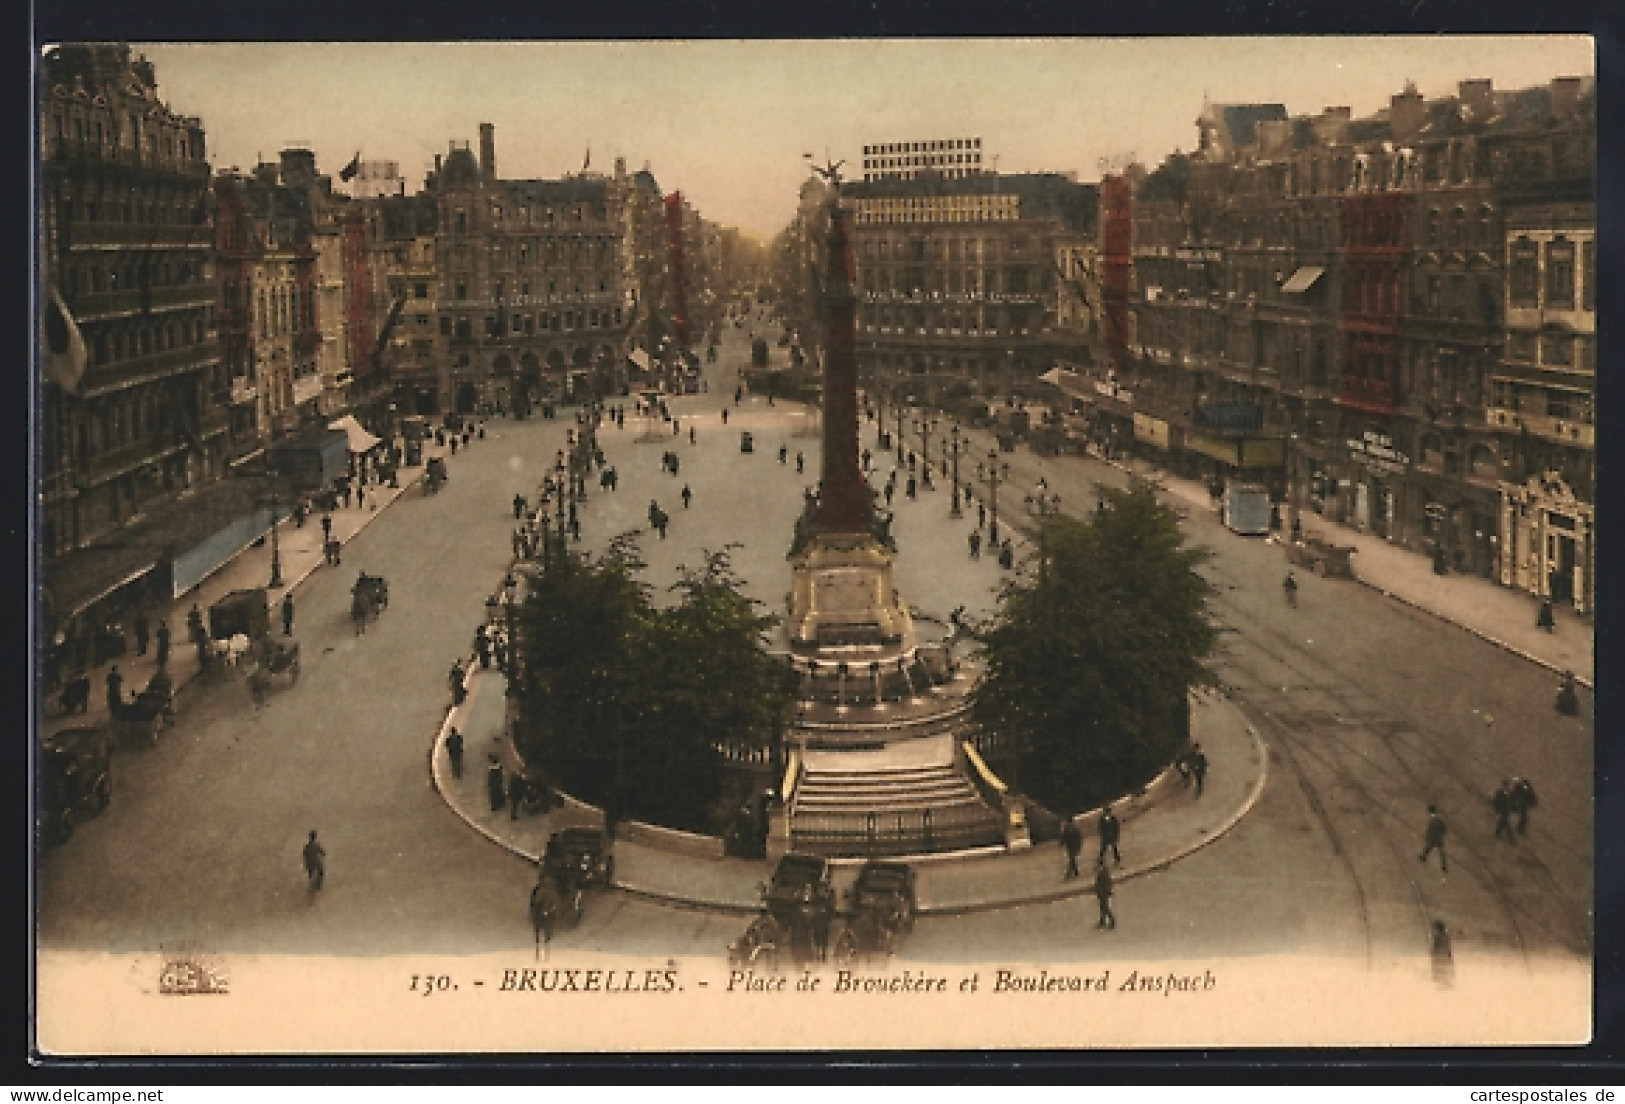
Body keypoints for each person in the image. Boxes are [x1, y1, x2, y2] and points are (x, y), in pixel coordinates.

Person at [1418, 805, 1448, 873]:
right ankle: (1444, 866)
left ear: (1430, 812)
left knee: (1428, 847)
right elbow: (1444, 829)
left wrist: (1427, 837)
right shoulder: (1440, 819)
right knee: (1442, 852)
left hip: (1433, 838)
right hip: (1439, 838)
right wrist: (1441, 835)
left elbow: (1429, 831)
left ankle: (1423, 857)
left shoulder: (1432, 821)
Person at [1430, 920, 1454, 988]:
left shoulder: (1439, 937)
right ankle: (1445, 982)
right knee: (1443, 969)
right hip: (1444, 955)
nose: (1433, 930)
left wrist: (1433, 952)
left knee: (1441, 968)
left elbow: (1437, 946)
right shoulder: (1445, 936)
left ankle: (1444, 983)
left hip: (1441, 956)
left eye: (1434, 929)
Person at [1093, 860, 1116, 929]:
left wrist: (1101, 890)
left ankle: (1111, 920)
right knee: (1102, 907)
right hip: (1102, 893)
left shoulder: (1103, 873)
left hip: (1103, 893)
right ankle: (1102, 921)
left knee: (1105, 907)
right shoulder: (1104, 872)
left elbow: (1105, 884)